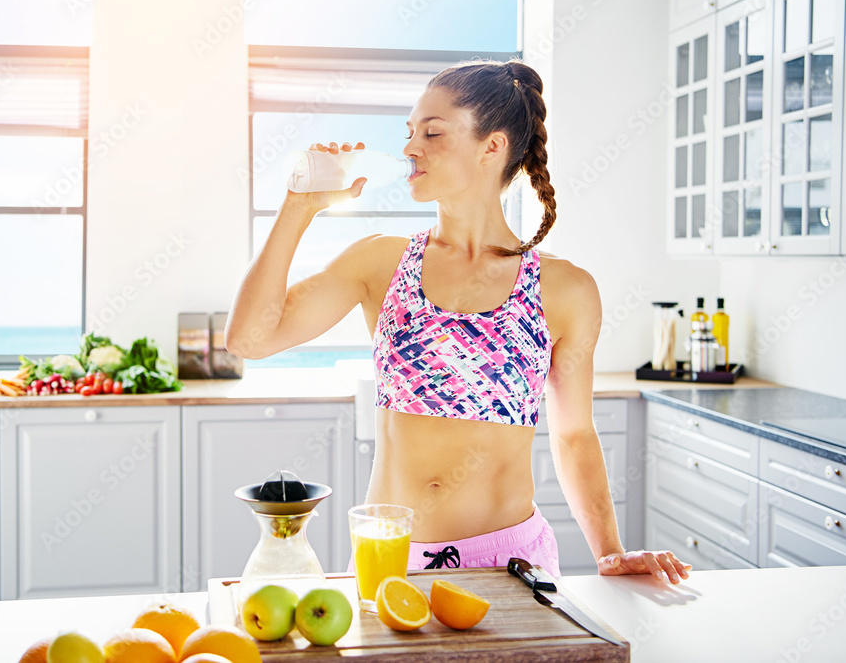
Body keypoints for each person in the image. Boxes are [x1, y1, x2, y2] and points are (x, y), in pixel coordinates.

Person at [225, 59, 691, 584]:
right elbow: (249, 338)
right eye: (409, 133)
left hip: (511, 562)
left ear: (491, 147)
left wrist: (610, 553)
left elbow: (575, 434)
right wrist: (298, 208)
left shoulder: (566, 289)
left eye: (432, 132)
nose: (409, 148)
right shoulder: (380, 263)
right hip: (390, 560)